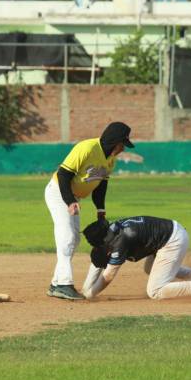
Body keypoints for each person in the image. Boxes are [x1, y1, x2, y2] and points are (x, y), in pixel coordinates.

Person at [44, 122, 134, 300]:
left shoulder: (110, 159)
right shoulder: (86, 147)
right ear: (114, 141)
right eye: (122, 144)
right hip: (59, 193)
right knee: (67, 237)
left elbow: (101, 185)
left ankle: (56, 283)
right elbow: (63, 174)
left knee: (74, 239)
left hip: (74, 198)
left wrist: (100, 210)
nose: (123, 148)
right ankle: (63, 284)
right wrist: (69, 200)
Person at [80, 216, 191, 300]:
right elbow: (99, 263)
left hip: (172, 241)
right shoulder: (113, 230)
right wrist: (85, 290)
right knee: (150, 268)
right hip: (170, 232)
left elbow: (108, 275)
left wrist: (90, 294)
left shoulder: (120, 242)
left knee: (155, 291)